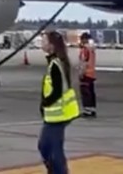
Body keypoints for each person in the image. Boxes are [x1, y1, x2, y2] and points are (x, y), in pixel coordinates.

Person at [38, 31, 80, 174]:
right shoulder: (54, 62)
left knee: (52, 150)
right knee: (46, 147)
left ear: (51, 46)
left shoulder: (55, 65)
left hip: (57, 116)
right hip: (52, 116)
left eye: (43, 41)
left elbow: (57, 91)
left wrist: (45, 103)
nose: (41, 43)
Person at [77, 32, 97, 117]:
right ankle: (92, 109)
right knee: (91, 92)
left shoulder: (85, 50)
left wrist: (81, 73)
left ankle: (87, 110)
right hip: (92, 74)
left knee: (85, 93)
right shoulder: (91, 49)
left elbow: (84, 62)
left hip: (86, 74)